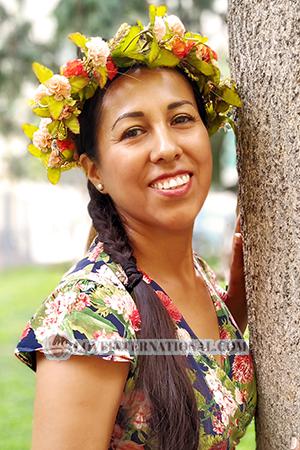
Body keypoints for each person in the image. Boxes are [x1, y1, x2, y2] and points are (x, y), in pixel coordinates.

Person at [15, 5, 258, 450]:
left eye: (181, 119)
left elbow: (194, 371)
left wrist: (237, 304)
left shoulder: (195, 275)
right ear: (95, 172)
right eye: (133, 132)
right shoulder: (88, 317)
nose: (166, 147)